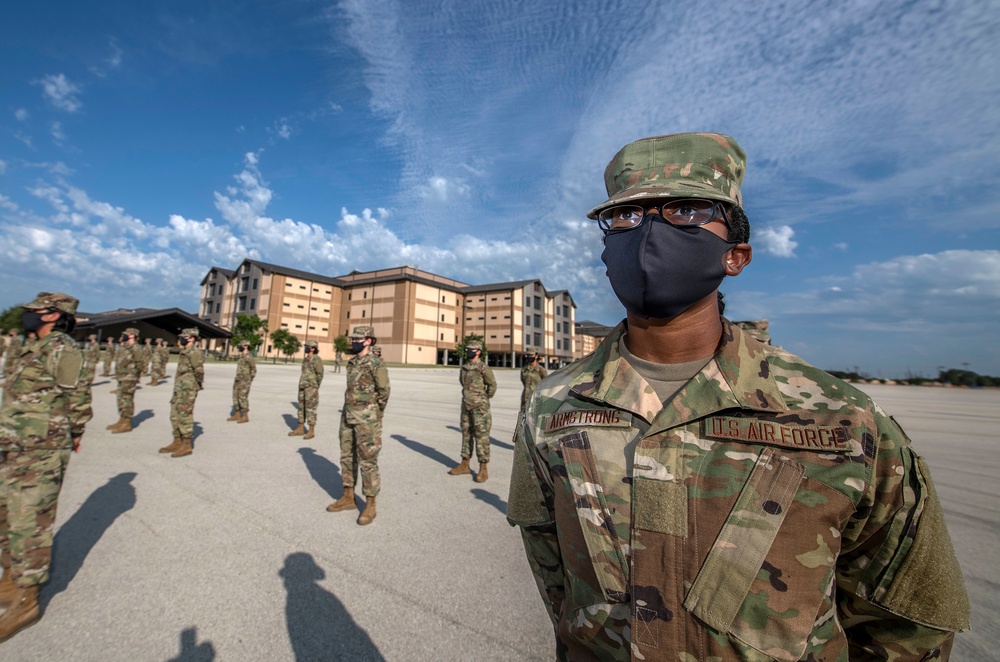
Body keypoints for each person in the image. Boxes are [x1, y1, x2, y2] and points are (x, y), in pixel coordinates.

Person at [506, 133, 970, 660]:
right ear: (607, 250)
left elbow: (906, 624)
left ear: (736, 256)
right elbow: (555, 575)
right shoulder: (551, 407)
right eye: (626, 217)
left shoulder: (843, 420)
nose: (649, 232)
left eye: (684, 210)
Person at [0, 292, 92, 642]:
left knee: (30, 519)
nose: (29, 316)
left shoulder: (62, 349)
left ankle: (27, 599)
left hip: (41, 447)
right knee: (7, 512)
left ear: (53, 316)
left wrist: (76, 431)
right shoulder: (28, 346)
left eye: (36, 311)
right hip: (12, 444)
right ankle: (11, 578)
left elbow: (78, 395)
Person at [327, 326, 390, 525]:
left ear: (369, 341)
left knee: (368, 460)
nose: (353, 341)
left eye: (358, 338)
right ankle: (348, 496)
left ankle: (370, 504)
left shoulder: (376, 363)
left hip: (367, 419)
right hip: (347, 415)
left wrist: (374, 413)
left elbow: (384, 391)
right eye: (352, 338)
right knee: (346, 456)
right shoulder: (352, 362)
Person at [449, 340, 495, 482]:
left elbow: (492, 385)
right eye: (467, 349)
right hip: (466, 406)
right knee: (466, 434)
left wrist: (483, 398)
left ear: (478, 351)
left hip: (480, 408)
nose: (469, 351)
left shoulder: (483, 368)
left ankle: (483, 468)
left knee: (481, 437)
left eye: (472, 349)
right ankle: (465, 464)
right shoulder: (464, 367)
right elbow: (463, 383)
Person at [158, 328, 204, 458]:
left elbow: (199, 370)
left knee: (185, 415)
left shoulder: (195, 352)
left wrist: (198, 384)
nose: (181, 339)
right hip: (179, 388)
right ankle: (177, 441)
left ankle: (187, 444)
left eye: (184, 337)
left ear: (191, 338)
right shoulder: (184, 352)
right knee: (174, 414)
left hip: (188, 389)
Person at [107, 328, 141, 434]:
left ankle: (127, 423)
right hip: (122, 376)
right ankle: (121, 419)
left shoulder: (136, 348)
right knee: (121, 399)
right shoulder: (125, 346)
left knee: (127, 400)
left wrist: (137, 376)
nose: (124, 336)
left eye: (127, 334)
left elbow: (139, 363)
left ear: (132, 335)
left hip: (130, 377)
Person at [288, 340, 323, 440]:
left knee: (310, 408)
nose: (306, 348)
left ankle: (311, 430)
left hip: (311, 388)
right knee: (301, 407)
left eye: (308, 346)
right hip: (302, 386)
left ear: (313, 348)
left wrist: (315, 386)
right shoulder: (305, 359)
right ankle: (300, 428)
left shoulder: (317, 360)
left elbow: (320, 374)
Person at [227, 341, 256, 423]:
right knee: (235, 396)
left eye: (241, 345)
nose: (240, 347)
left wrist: (249, 380)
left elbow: (253, 370)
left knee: (243, 397)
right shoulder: (242, 357)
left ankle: (245, 416)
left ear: (246, 346)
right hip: (238, 380)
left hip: (245, 381)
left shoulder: (249, 357)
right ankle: (237, 414)